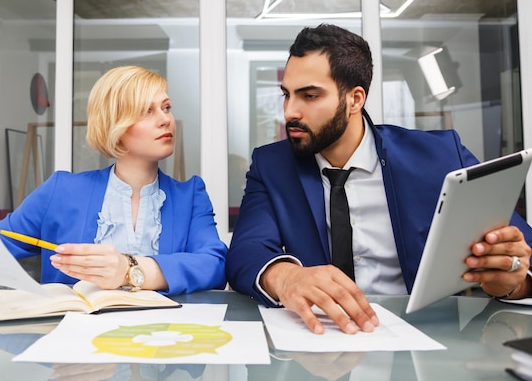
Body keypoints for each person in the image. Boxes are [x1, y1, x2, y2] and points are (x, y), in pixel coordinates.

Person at [226, 24, 532, 335]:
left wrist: (513, 283)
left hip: (426, 341)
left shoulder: (438, 156)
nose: (290, 111)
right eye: (287, 95)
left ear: (355, 99)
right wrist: (286, 276)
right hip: (317, 338)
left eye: (309, 95)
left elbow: (521, 249)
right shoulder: (272, 164)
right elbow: (245, 251)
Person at [0, 65, 228, 296]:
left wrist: (131, 270)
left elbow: (213, 265)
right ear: (115, 122)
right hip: (74, 359)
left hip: (164, 349)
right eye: (147, 111)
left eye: (167, 107)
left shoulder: (191, 195)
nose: (166, 119)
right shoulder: (61, 191)